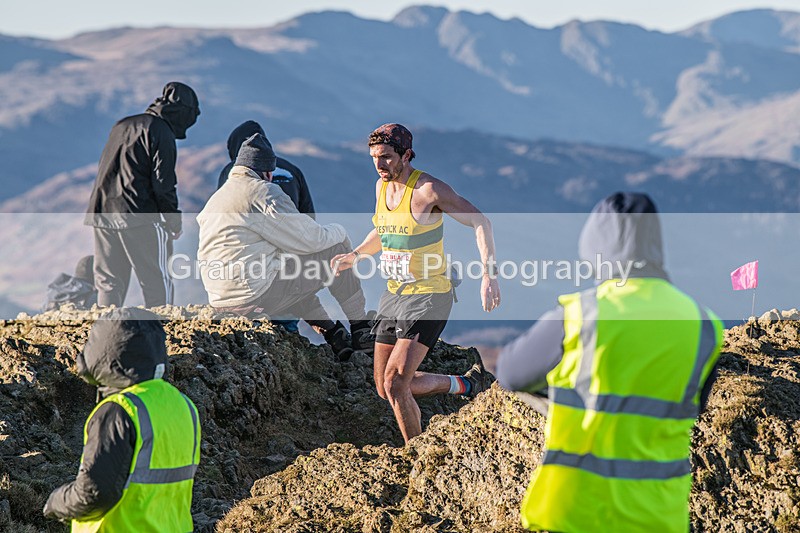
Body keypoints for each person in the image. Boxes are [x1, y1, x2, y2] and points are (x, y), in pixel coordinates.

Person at [495, 192, 723, 533]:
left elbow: (510, 373)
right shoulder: (703, 323)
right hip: (659, 516)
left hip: (578, 511)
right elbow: (692, 402)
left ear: (595, 249)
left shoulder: (581, 313)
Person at [331, 123, 500, 443]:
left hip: (429, 296)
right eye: (373, 158)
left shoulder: (428, 191)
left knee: (396, 383)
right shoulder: (381, 188)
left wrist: (489, 275)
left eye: (387, 157)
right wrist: (354, 255)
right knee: (384, 387)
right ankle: (465, 385)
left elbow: (480, 221)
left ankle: (416, 458)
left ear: (406, 155)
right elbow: (383, 232)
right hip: (393, 295)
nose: (380, 165)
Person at [197, 133, 373, 360]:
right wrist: (341, 232)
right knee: (334, 249)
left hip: (223, 299)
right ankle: (361, 330)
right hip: (254, 295)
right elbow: (311, 239)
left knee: (293, 272)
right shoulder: (262, 191)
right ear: (268, 171)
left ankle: (334, 334)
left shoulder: (219, 197)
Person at [43, 307, 201, 532]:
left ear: (105, 351)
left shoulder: (119, 410)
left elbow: (94, 493)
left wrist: (56, 502)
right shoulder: (184, 405)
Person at [85, 81, 201, 308]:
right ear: (184, 112)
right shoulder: (161, 131)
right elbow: (163, 183)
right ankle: (162, 333)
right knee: (156, 278)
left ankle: (107, 335)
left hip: (102, 212)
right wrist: (173, 219)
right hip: (140, 215)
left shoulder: (121, 125)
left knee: (109, 282)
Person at [217, 120, 316, 333]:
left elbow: (222, 225)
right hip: (289, 268)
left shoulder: (231, 174)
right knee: (287, 325)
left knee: (250, 332)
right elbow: (309, 221)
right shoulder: (292, 171)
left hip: (247, 275)